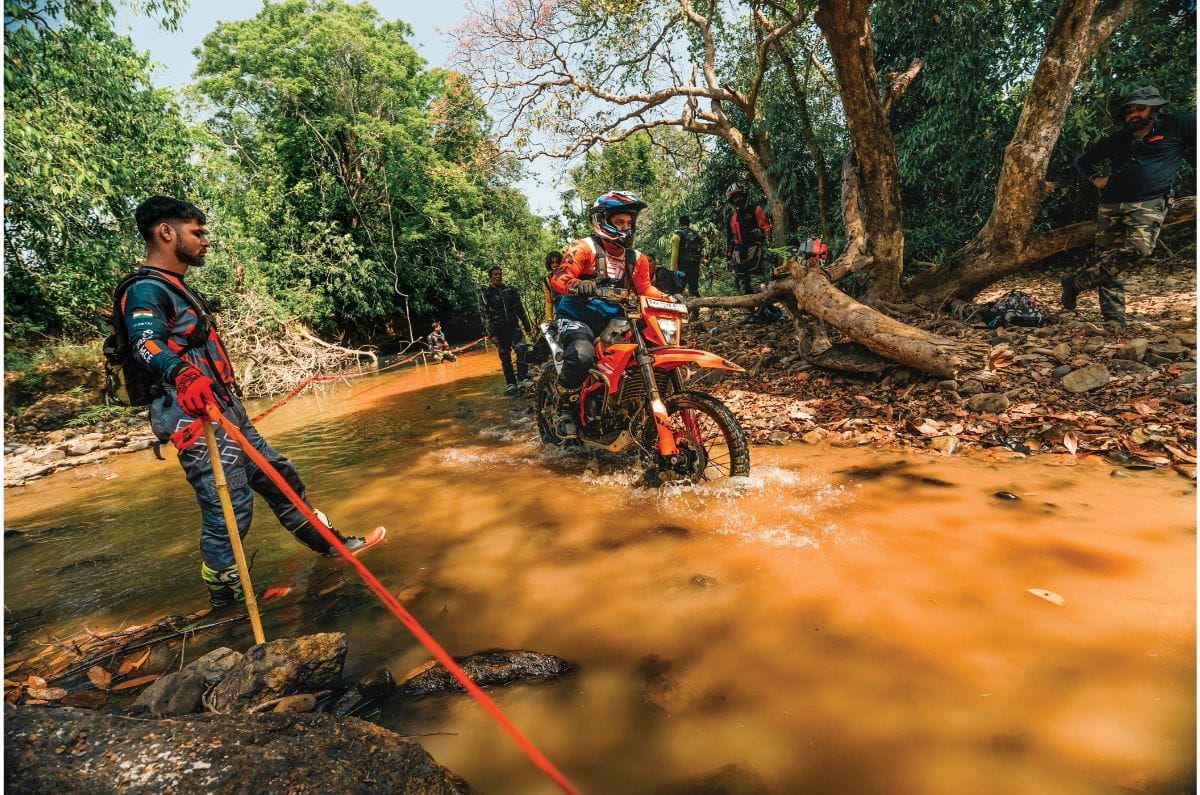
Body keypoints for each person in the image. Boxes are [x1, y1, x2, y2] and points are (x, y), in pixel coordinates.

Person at [121, 196, 378, 609]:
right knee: (229, 507)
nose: (205, 241)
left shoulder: (177, 287)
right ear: (166, 233)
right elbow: (144, 344)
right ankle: (228, 602)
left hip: (226, 410)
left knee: (280, 477)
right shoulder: (146, 290)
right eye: (197, 233)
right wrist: (182, 374)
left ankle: (331, 545)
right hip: (192, 416)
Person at [1064, 85, 1195, 326]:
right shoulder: (1118, 139)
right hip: (1110, 204)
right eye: (1128, 111)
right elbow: (1083, 161)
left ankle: (1076, 283)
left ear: (1154, 108)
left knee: (1139, 249)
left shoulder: (1178, 124)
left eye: (1139, 109)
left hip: (1149, 201)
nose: (1133, 115)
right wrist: (1095, 179)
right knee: (1107, 257)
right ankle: (1114, 319)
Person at [549, 191, 675, 438]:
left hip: (616, 322)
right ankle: (564, 409)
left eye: (629, 223)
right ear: (603, 220)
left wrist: (669, 299)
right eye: (619, 222)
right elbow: (559, 276)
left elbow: (645, 290)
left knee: (649, 352)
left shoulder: (636, 259)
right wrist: (577, 285)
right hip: (577, 318)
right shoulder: (583, 248)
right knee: (581, 356)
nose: (625, 228)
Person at [480, 265, 533, 395]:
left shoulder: (510, 290)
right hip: (499, 331)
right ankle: (511, 383)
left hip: (514, 327)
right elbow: (484, 316)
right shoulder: (486, 294)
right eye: (495, 275)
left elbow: (519, 308)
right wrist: (491, 334)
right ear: (490, 277)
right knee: (505, 358)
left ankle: (523, 377)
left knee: (522, 350)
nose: (498, 277)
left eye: (499, 274)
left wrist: (527, 325)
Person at [724, 182, 771, 302]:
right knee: (743, 283)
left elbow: (766, 227)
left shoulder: (756, 210)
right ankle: (750, 312)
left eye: (739, 196)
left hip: (754, 248)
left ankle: (764, 309)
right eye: (734, 197)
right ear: (731, 200)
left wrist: (761, 232)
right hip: (738, 252)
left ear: (744, 196)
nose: (737, 199)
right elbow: (730, 238)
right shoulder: (731, 217)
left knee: (756, 280)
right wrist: (729, 257)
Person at [669, 215, 704, 296]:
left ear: (679, 223)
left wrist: (672, 269)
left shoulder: (678, 234)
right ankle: (696, 307)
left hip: (682, 269)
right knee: (694, 289)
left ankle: (676, 307)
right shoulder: (695, 234)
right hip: (695, 267)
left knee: (677, 289)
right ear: (689, 224)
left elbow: (675, 253)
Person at [541, 250, 563, 323]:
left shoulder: (569, 275)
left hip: (572, 310)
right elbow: (549, 301)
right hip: (559, 312)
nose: (555, 265)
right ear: (549, 264)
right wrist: (549, 319)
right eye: (552, 263)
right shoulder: (547, 280)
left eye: (557, 262)